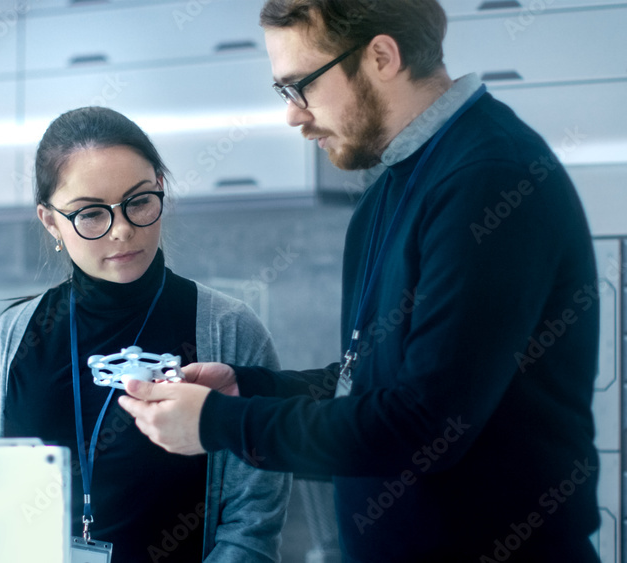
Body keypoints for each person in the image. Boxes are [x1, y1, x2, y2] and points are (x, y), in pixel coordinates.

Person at [119, 0, 601, 561]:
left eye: (301, 85)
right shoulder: (393, 186)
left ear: (381, 56)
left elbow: (423, 425)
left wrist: (220, 423)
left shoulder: (488, 178)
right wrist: (248, 388)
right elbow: (373, 385)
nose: (294, 115)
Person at [0, 106, 290, 562]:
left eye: (138, 202)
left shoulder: (229, 330)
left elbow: (250, 523)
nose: (121, 231)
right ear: (50, 221)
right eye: (90, 214)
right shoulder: (10, 341)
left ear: (161, 188)